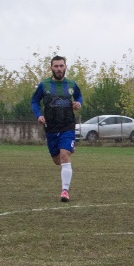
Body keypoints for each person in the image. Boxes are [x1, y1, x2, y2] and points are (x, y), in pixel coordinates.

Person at [31, 55, 84, 202]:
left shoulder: (72, 84)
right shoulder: (44, 85)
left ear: (65, 67)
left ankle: (65, 191)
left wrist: (78, 103)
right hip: (51, 127)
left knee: (64, 155)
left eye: (61, 66)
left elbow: (79, 97)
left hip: (68, 125)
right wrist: (39, 115)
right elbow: (35, 101)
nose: (59, 69)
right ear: (51, 68)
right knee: (57, 160)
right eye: (56, 66)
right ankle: (67, 150)